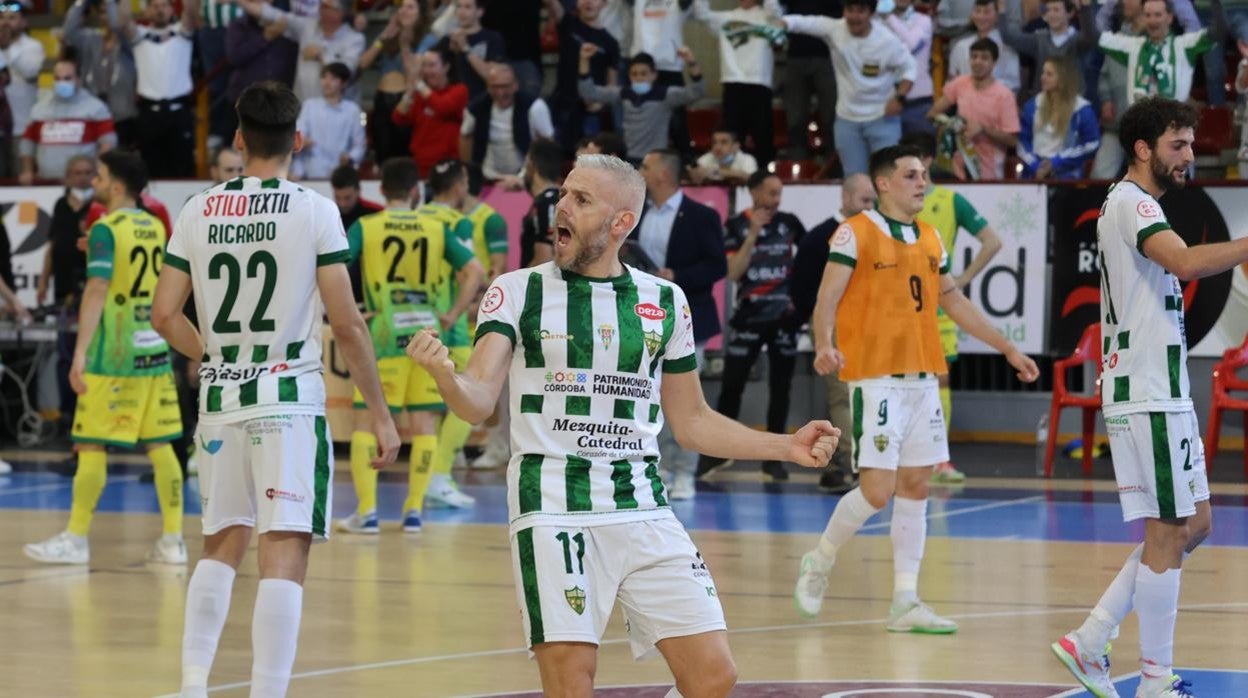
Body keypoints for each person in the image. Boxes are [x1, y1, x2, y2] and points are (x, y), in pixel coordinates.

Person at [406, 152, 839, 697]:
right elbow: (477, 402)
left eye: (580, 199)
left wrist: (786, 445)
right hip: (552, 507)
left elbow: (694, 422)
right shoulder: (517, 291)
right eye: (564, 193)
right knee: (572, 686)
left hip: (642, 506)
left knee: (713, 675)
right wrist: (447, 376)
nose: (561, 207)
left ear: (621, 224)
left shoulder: (664, 301)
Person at [152, 81, 400, 698]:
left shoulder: (197, 209)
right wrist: (379, 413)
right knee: (283, 550)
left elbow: (163, 316)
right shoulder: (315, 210)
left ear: (238, 138)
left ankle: (191, 684)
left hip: (221, 399)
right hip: (287, 398)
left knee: (220, 542)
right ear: (297, 140)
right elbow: (346, 322)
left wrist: (212, 353)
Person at [795, 144, 1038, 631]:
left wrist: (1006, 348)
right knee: (877, 490)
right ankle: (819, 559)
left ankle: (905, 601)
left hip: (923, 378)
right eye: (911, 175)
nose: (922, 182)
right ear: (883, 183)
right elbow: (827, 298)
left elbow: (954, 302)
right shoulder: (854, 232)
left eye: (925, 174)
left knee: (916, 486)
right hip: (876, 378)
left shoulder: (930, 237)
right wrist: (824, 342)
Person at [1051, 96, 1224, 698]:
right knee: (1167, 531)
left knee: (1194, 523)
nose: (1190, 156)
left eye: (1192, 144)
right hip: (1145, 392)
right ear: (1144, 149)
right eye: (1179, 145)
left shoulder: (1138, 203)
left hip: (1162, 389)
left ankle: (1091, 637)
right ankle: (1154, 680)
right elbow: (1184, 262)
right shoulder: (1131, 202)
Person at [23, 150, 185, 567]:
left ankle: (76, 538)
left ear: (116, 185)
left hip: (113, 355)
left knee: (90, 442)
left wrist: (79, 354)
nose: (93, 181)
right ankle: (173, 541)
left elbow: (97, 289)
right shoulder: (153, 225)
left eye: (100, 176)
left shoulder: (104, 227)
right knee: (161, 444)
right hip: (154, 351)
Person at [337, 158, 484, 534]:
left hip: (384, 335)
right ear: (415, 191)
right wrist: (452, 313)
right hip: (427, 337)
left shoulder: (366, 226)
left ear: (382, 190)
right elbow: (475, 272)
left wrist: (349, 309)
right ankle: (414, 512)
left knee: (366, 425)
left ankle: (367, 512)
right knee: (424, 426)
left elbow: (334, 266)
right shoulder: (435, 228)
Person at [902, 131, 1003, 483]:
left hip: (938, 307)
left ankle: (938, 459)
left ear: (928, 161)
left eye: (914, 159)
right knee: (901, 380)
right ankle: (905, 457)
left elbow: (993, 241)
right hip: (899, 308)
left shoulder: (949, 200)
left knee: (939, 381)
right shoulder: (891, 203)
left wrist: (961, 280)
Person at [633, 148, 727, 493]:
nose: (639, 170)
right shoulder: (636, 213)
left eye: (645, 165)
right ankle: (658, 469)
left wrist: (678, 275)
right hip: (642, 319)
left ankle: (685, 469)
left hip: (689, 319)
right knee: (648, 397)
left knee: (685, 401)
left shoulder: (701, 215)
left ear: (663, 175)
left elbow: (717, 266)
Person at [711, 171, 806, 485]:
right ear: (753, 193)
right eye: (769, 193)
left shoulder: (790, 223)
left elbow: (807, 265)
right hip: (749, 318)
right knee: (732, 387)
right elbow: (734, 273)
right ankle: (717, 453)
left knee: (781, 390)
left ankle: (775, 460)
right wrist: (752, 234)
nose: (775, 200)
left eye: (779, 193)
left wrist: (800, 305)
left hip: (783, 321)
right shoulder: (735, 226)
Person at [789, 172, 875, 494]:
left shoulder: (872, 234)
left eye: (872, 201)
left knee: (863, 394)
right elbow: (803, 289)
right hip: (835, 324)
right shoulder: (821, 237)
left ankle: (856, 463)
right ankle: (853, 465)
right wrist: (822, 327)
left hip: (868, 324)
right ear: (845, 197)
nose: (869, 207)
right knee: (843, 394)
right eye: (864, 200)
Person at [779, 0, 917, 176]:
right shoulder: (835, 29)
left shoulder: (887, 41)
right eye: (849, 10)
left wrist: (900, 98)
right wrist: (781, 23)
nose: (854, 17)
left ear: (871, 13)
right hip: (847, 120)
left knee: (888, 178)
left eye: (860, 11)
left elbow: (910, 68)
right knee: (853, 180)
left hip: (882, 119)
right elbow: (804, 22)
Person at [692, 0, 785, 167]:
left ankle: (763, 176)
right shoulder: (726, 17)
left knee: (763, 136)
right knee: (733, 135)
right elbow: (701, 13)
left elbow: (776, 15)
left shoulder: (769, 16)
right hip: (733, 82)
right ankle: (732, 177)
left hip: (760, 83)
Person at [578, 47, 705, 163]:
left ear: (654, 75)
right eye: (634, 74)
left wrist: (691, 61)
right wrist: (584, 59)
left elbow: (697, 91)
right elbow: (589, 92)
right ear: (629, 76)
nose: (639, 78)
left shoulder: (666, 95)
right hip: (629, 160)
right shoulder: (624, 94)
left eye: (644, 74)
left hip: (656, 160)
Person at [121, 0, 199, 178]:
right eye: (155, 6)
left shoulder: (182, 32)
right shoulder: (139, 35)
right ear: (146, 10)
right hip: (149, 113)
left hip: (180, 111)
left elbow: (192, 11)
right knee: (150, 169)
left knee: (184, 168)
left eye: (164, 5)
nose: (159, 10)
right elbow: (124, 19)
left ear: (172, 9)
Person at [925, 38, 1020, 180]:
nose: (978, 62)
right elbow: (932, 114)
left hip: (989, 170)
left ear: (994, 63)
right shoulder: (960, 83)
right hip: (957, 165)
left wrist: (983, 129)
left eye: (984, 58)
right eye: (974, 57)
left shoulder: (1004, 95)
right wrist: (952, 124)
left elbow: (1012, 140)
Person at [236, 0, 366, 102]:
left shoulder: (354, 39)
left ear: (340, 13)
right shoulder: (307, 26)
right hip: (303, 107)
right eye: (321, 5)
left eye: (326, 6)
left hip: (336, 111)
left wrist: (321, 55)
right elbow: (272, 14)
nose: (320, 9)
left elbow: (347, 71)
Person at [18, 50, 115, 185]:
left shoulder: (96, 108)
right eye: (57, 79)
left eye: (67, 78)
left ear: (78, 79)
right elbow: (27, 143)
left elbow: (108, 143)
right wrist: (27, 170)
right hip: (45, 182)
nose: (62, 82)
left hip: (83, 184)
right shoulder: (39, 109)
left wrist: (97, 170)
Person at [360, 0, 435, 163]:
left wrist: (405, 44)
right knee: (382, 154)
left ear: (420, 14)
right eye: (401, 7)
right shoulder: (390, 35)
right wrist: (383, 36)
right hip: (382, 100)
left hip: (407, 101)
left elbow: (413, 73)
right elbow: (363, 64)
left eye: (410, 7)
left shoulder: (428, 39)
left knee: (404, 155)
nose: (404, 11)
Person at [544, 0, 621, 154]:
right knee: (558, 154)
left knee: (589, 159)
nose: (589, 2)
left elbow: (612, 85)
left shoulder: (611, 43)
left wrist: (601, 104)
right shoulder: (568, 23)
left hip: (590, 110)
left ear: (604, 3)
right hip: (563, 105)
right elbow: (552, 3)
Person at [459, 62, 554, 183]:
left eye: (505, 86)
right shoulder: (475, 109)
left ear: (515, 85)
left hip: (526, 177)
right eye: (495, 87)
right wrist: (470, 172)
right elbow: (465, 135)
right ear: (487, 87)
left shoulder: (535, 107)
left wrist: (539, 176)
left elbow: (548, 142)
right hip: (489, 177)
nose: (500, 93)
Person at [63, 0, 140, 149]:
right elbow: (69, 31)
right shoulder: (91, 39)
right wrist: (82, 2)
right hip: (92, 114)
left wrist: (110, 2)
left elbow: (116, 26)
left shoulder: (130, 41)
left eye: (111, 11)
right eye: (104, 12)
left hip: (122, 117)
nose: (109, 16)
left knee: (119, 167)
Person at [1018, 56, 1101, 179]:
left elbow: (1092, 143)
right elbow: (1022, 142)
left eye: (1049, 74)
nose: (1043, 77)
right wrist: (1036, 165)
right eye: (1043, 73)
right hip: (1034, 174)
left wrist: (1057, 162)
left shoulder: (1081, 109)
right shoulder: (1032, 106)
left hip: (1067, 177)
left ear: (1062, 79)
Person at [392, 47, 469, 177]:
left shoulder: (459, 90)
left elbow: (442, 107)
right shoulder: (420, 93)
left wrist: (418, 83)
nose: (426, 71)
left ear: (446, 67)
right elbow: (398, 118)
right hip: (420, 165)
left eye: (432, 65)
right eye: (424, 66)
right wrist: (410, 90)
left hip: (448, 166)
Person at [998, 0, 1098, 98]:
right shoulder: (1039, 39)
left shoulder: (1077, 40)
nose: (1051, 14)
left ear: (1069, 13)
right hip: (1043, 102)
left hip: (1071, 103)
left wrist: (1085, 7)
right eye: (1048, 10)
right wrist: (1001, 8)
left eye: (1056, 10)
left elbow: (1092, 37)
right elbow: (1008, 37)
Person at [779, 0, 837, 161]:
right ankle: (798, 164)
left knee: (831, 115)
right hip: (796, 54)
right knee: (795, 116)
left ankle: (833, 165)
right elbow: (779, 10)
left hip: (828, 55)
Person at [291, 62, 366, 179]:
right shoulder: (309, 105)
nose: (327, 83)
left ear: (344, 83)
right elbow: (298, 135)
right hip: (309, 173)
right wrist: (301, 142)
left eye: (333, 78)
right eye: (324, 77)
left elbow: (360, 145)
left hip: (339, 174)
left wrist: (350, 157)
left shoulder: (352, 110)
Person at [0, 1, 45, 175]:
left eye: (12, 18)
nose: (5, 22)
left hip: (22, 128)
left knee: (22, 177)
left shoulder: (32, 46)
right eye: (2, 17)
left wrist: (6, 47)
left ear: (24, 22)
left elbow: (30, 71)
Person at [882, 0, 935, 136]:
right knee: (889, 155)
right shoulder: (876, 22)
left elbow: (911, 44)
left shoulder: (924, 20)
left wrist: (888, 16)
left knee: (921, 154)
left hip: (918, 102)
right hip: (885, 102)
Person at [435, 0, 506, 100]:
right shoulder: (447, 40)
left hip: (482, 100)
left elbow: (492, 76)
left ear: (479, 12)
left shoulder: (492, 38)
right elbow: (433, 74)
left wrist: (465, 48)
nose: (462, 12)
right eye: (459, 7)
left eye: (467, 7)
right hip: (454, 102)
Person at [946, 0, 1021, 92]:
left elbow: (1013, 84)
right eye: (977, 11)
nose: (981, 16)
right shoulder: (960, 46)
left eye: (987, 12)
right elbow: (951, 80)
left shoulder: (1007, 47)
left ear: (997, 16)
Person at [519, 138, 563, 268]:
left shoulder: (546, 204)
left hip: (540, 285)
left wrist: (518, 283)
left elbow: (544, 260)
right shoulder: (556, 199)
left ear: (531, 165)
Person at [687, 125, 759, 185]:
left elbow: (751, 179)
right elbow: (696, 174)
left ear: (736, 146)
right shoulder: (707, 158)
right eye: (714, 142)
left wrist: (714, 172)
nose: (717, 147)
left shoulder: (747, 159)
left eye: (724, 142)